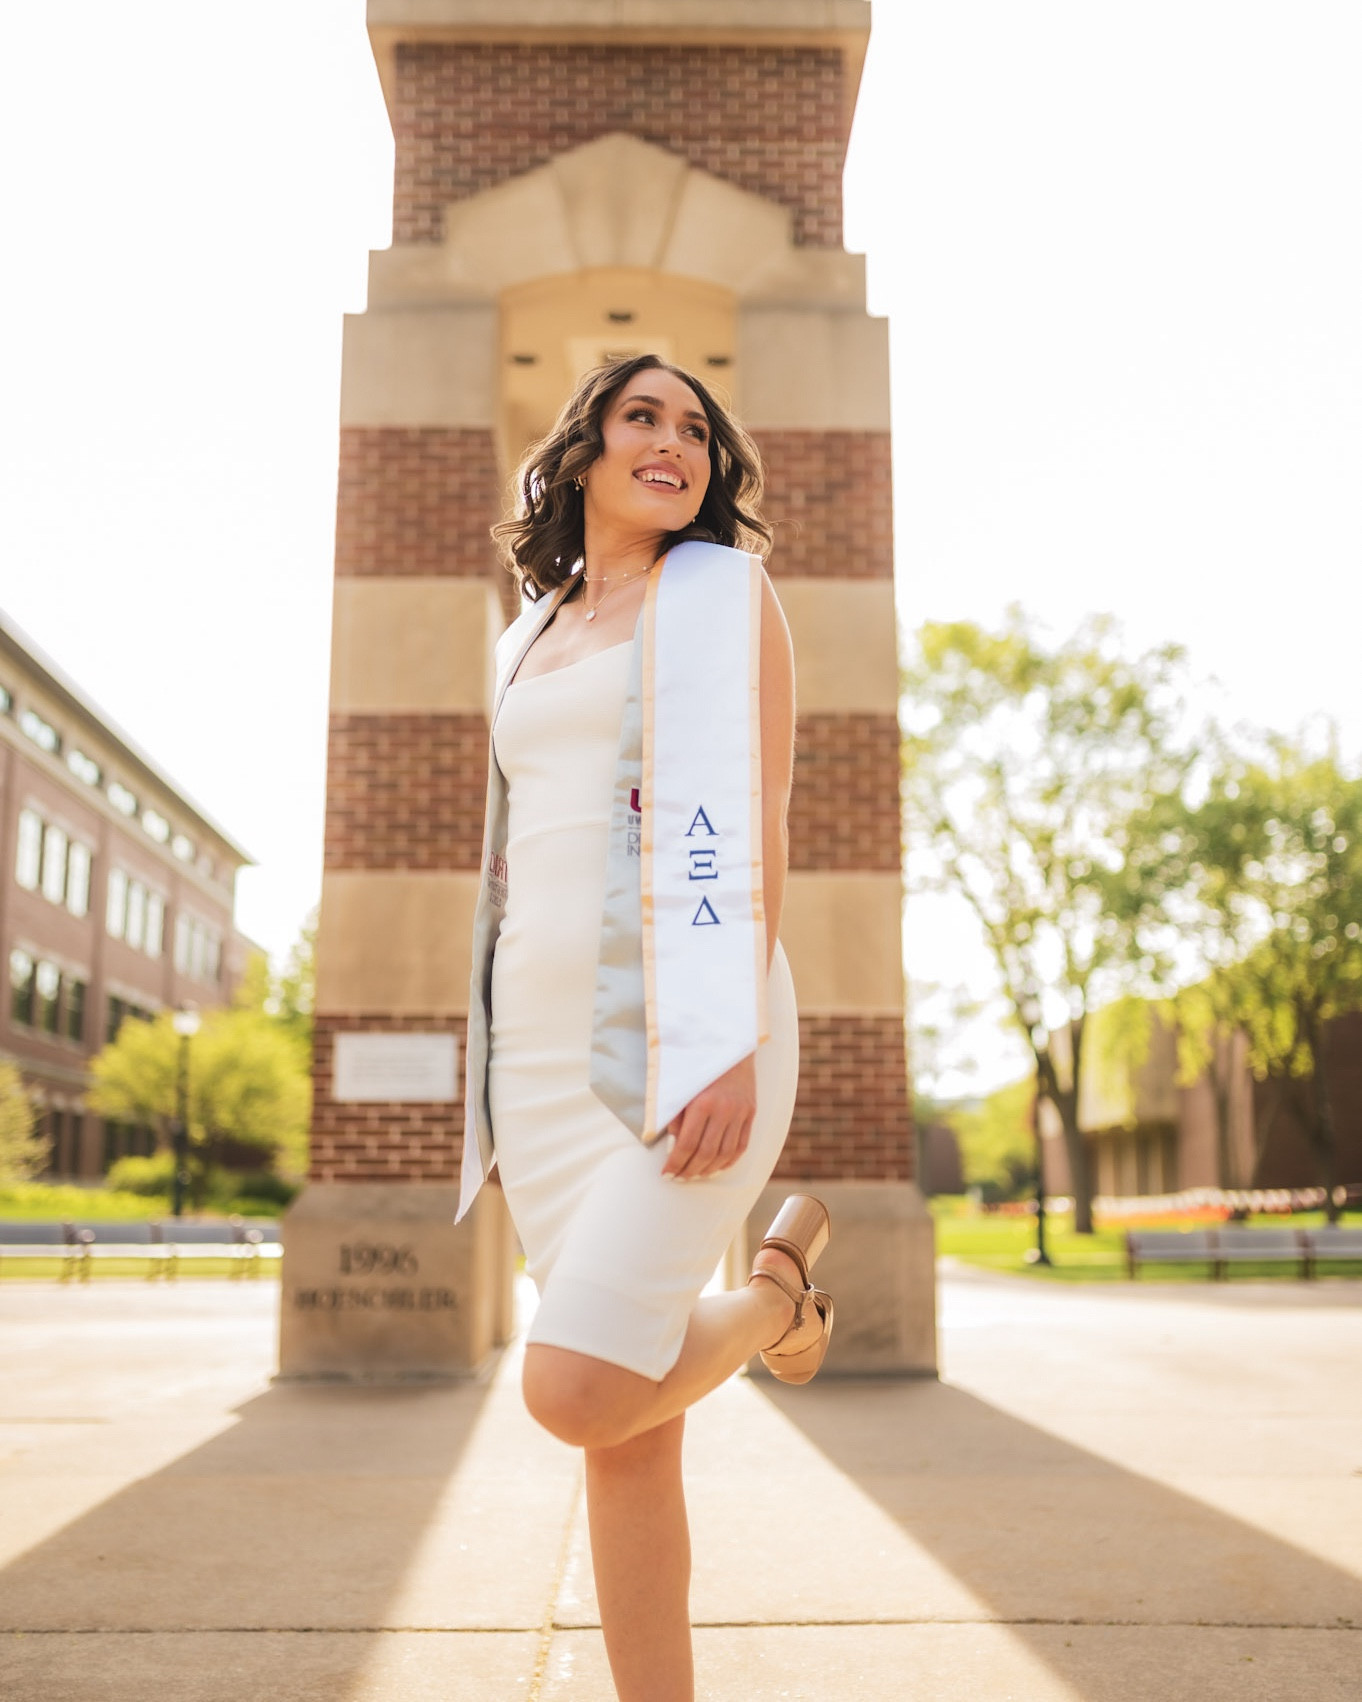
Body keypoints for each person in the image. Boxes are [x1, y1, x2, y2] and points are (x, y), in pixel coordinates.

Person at [461, 353, 833, 1702]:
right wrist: (490, 1095)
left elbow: (762, 814)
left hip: (686, 1039)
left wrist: (723, 1034)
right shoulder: (528, 626)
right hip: (545, 1065)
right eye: (642, 416)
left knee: (572, 1389)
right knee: (627, 1435)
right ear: (581, 452)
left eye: (695, 427)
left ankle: (778, 1296)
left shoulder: (726, 599)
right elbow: (514, 865)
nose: (673, 440)